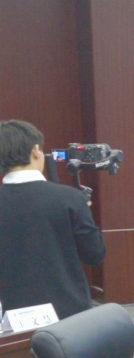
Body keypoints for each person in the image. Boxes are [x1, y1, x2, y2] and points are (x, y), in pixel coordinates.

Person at [0, 118, 105, 319]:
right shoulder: (70, 198)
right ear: (35, 150)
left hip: (11, 314)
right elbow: (94, 254)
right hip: (68, 313)